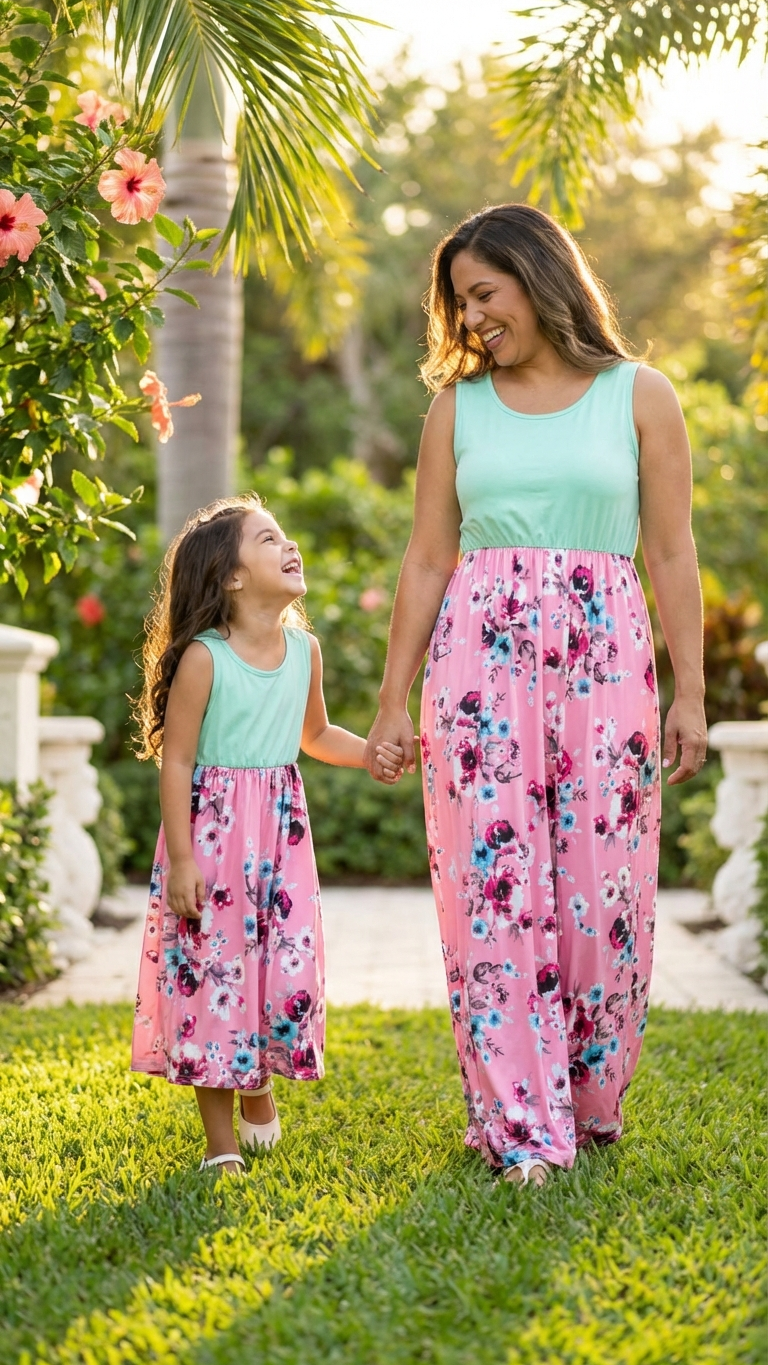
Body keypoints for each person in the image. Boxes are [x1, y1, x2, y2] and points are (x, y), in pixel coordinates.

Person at [364, 204, 707, 1187]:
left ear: (538, 276)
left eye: (484, 294)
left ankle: (590, 1104)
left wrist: (690, 693)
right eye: (459, 303)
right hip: (479, 672)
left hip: (608, 667)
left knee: (604, 894)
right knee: (494, 893)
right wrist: (393, 700)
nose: (471, 320)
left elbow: (674, 550)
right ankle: (521, 1122)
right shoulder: (457, 410)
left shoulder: (642, 395)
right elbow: (428, 557)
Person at [132, 495, 403, 1174]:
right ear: (230, 575)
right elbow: (179, 761)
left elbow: (314, 735)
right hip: (215, 841)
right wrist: (184, 860)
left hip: (280, 842)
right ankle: (221, 1146)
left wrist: (370, 752)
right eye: (268, 539)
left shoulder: (303, 651)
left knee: (282, 971)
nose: (290, 547)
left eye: (286, 536)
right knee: (212, 982)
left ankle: (259, 1083)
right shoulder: (204, 659)